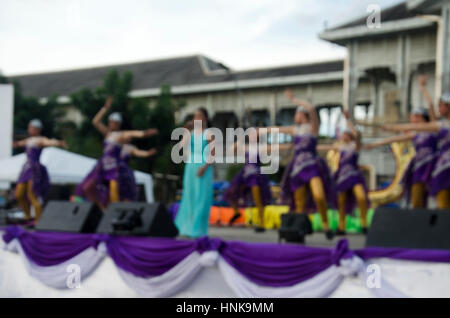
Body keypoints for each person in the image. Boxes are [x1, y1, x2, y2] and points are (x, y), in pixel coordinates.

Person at [74, 97, 158, 209]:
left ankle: (115, 210)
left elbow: (134, 134)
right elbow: (95, 122)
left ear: (119, 124)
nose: (113, 124)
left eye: (116, 122)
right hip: (103, 167)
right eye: (111, 122)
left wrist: (145, 134)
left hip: (115, 169)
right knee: (88, 187)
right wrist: (105, 108)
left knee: (115, 192)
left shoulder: (122, 136)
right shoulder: (108, 134)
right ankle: (100, 208)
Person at [272, 89, 335, 240]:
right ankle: (299, 234)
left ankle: (326, 226)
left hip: (312, 166)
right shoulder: (295, 130)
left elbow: (312, 109)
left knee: (319, 196)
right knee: (299, 204)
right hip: (296, 169)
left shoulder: (313, 128)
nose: (295, 116)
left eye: (297, 113)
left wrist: (294, 100)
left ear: (303, 115)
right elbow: (274, 129)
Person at [380, 87, 450, 209]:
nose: (439, 109)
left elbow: (431, 108)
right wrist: (390, 128)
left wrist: (423, 89)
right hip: (431, 167)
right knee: (434, 199)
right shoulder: (438, 126)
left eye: (441, 105)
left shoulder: (434, 129)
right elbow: (405, 131)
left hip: (435, 165)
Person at [366, 108, 436, 209]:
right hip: (419, 169)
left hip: (432, 167)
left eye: (413, 117)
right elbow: (395, 138)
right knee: (417, 199)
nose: (412, 120)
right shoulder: (415, 134)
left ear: (420, 117)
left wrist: (390, 128)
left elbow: (404, 127)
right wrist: (375, 144)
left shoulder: (433, 129)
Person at [317, 110, 369, 235]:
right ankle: (341, 227)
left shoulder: (355, 147)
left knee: (361, 197)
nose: (343, 136)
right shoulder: (340, 147)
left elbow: (357, 136)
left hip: (354, 176)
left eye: (346, 134)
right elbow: (323, 147)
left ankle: (364, 223)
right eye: (343, 134)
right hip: (341, 177)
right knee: (341, 201)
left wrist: (347, 120)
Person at [14, 119, 66, 221]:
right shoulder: (28, 140)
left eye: (31, 127)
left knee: (32, 195)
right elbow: (19, 143)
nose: (29, 129)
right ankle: (27, 216)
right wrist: (15, 143)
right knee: (18, 194)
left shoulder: (40, 140)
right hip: (26, 169)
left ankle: (38, 220)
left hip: (34, 169)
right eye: (29, 127)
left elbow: (49, 142)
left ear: (37, 129)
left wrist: (58, 143)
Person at [175, 108, 214, 238]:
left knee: (201, 198)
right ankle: (187, 228)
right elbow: (181, 146)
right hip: (191, 166)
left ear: (205, 118)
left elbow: (213, 154)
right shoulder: (191, 133)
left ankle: (198, 230)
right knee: (189, 197)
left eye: (200, 116)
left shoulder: (209, 133)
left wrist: (205, 167)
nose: (197, 118)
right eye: (195, 116)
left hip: (203, 166)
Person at [224, 130, 272, 232]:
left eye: (254, 135)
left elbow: (270, 150)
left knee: (258, 199)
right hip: (245, 174)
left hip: (255, 175)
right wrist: (239, 140)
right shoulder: (246, 146)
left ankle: (261, 223)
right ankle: (236, 212)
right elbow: (231, 150)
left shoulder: (261, 147)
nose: (252, 137)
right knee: (231, 192)